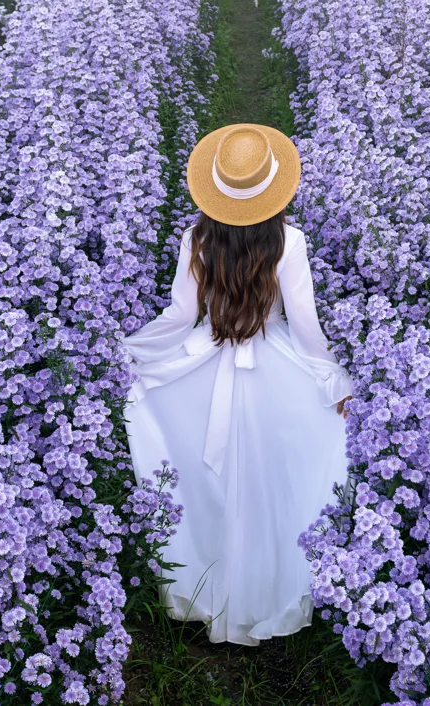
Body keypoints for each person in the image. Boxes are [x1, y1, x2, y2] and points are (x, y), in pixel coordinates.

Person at [121, 122, 355, 646]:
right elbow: (305, 324)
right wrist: (334, 379)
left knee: (206, 484)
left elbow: (182, 317)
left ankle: (210, 581)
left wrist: (131, 350)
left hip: (209, 358)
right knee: (279, 481)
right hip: (275, 363)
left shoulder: (197, 237)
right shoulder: (289, 241)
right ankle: (268, 586)